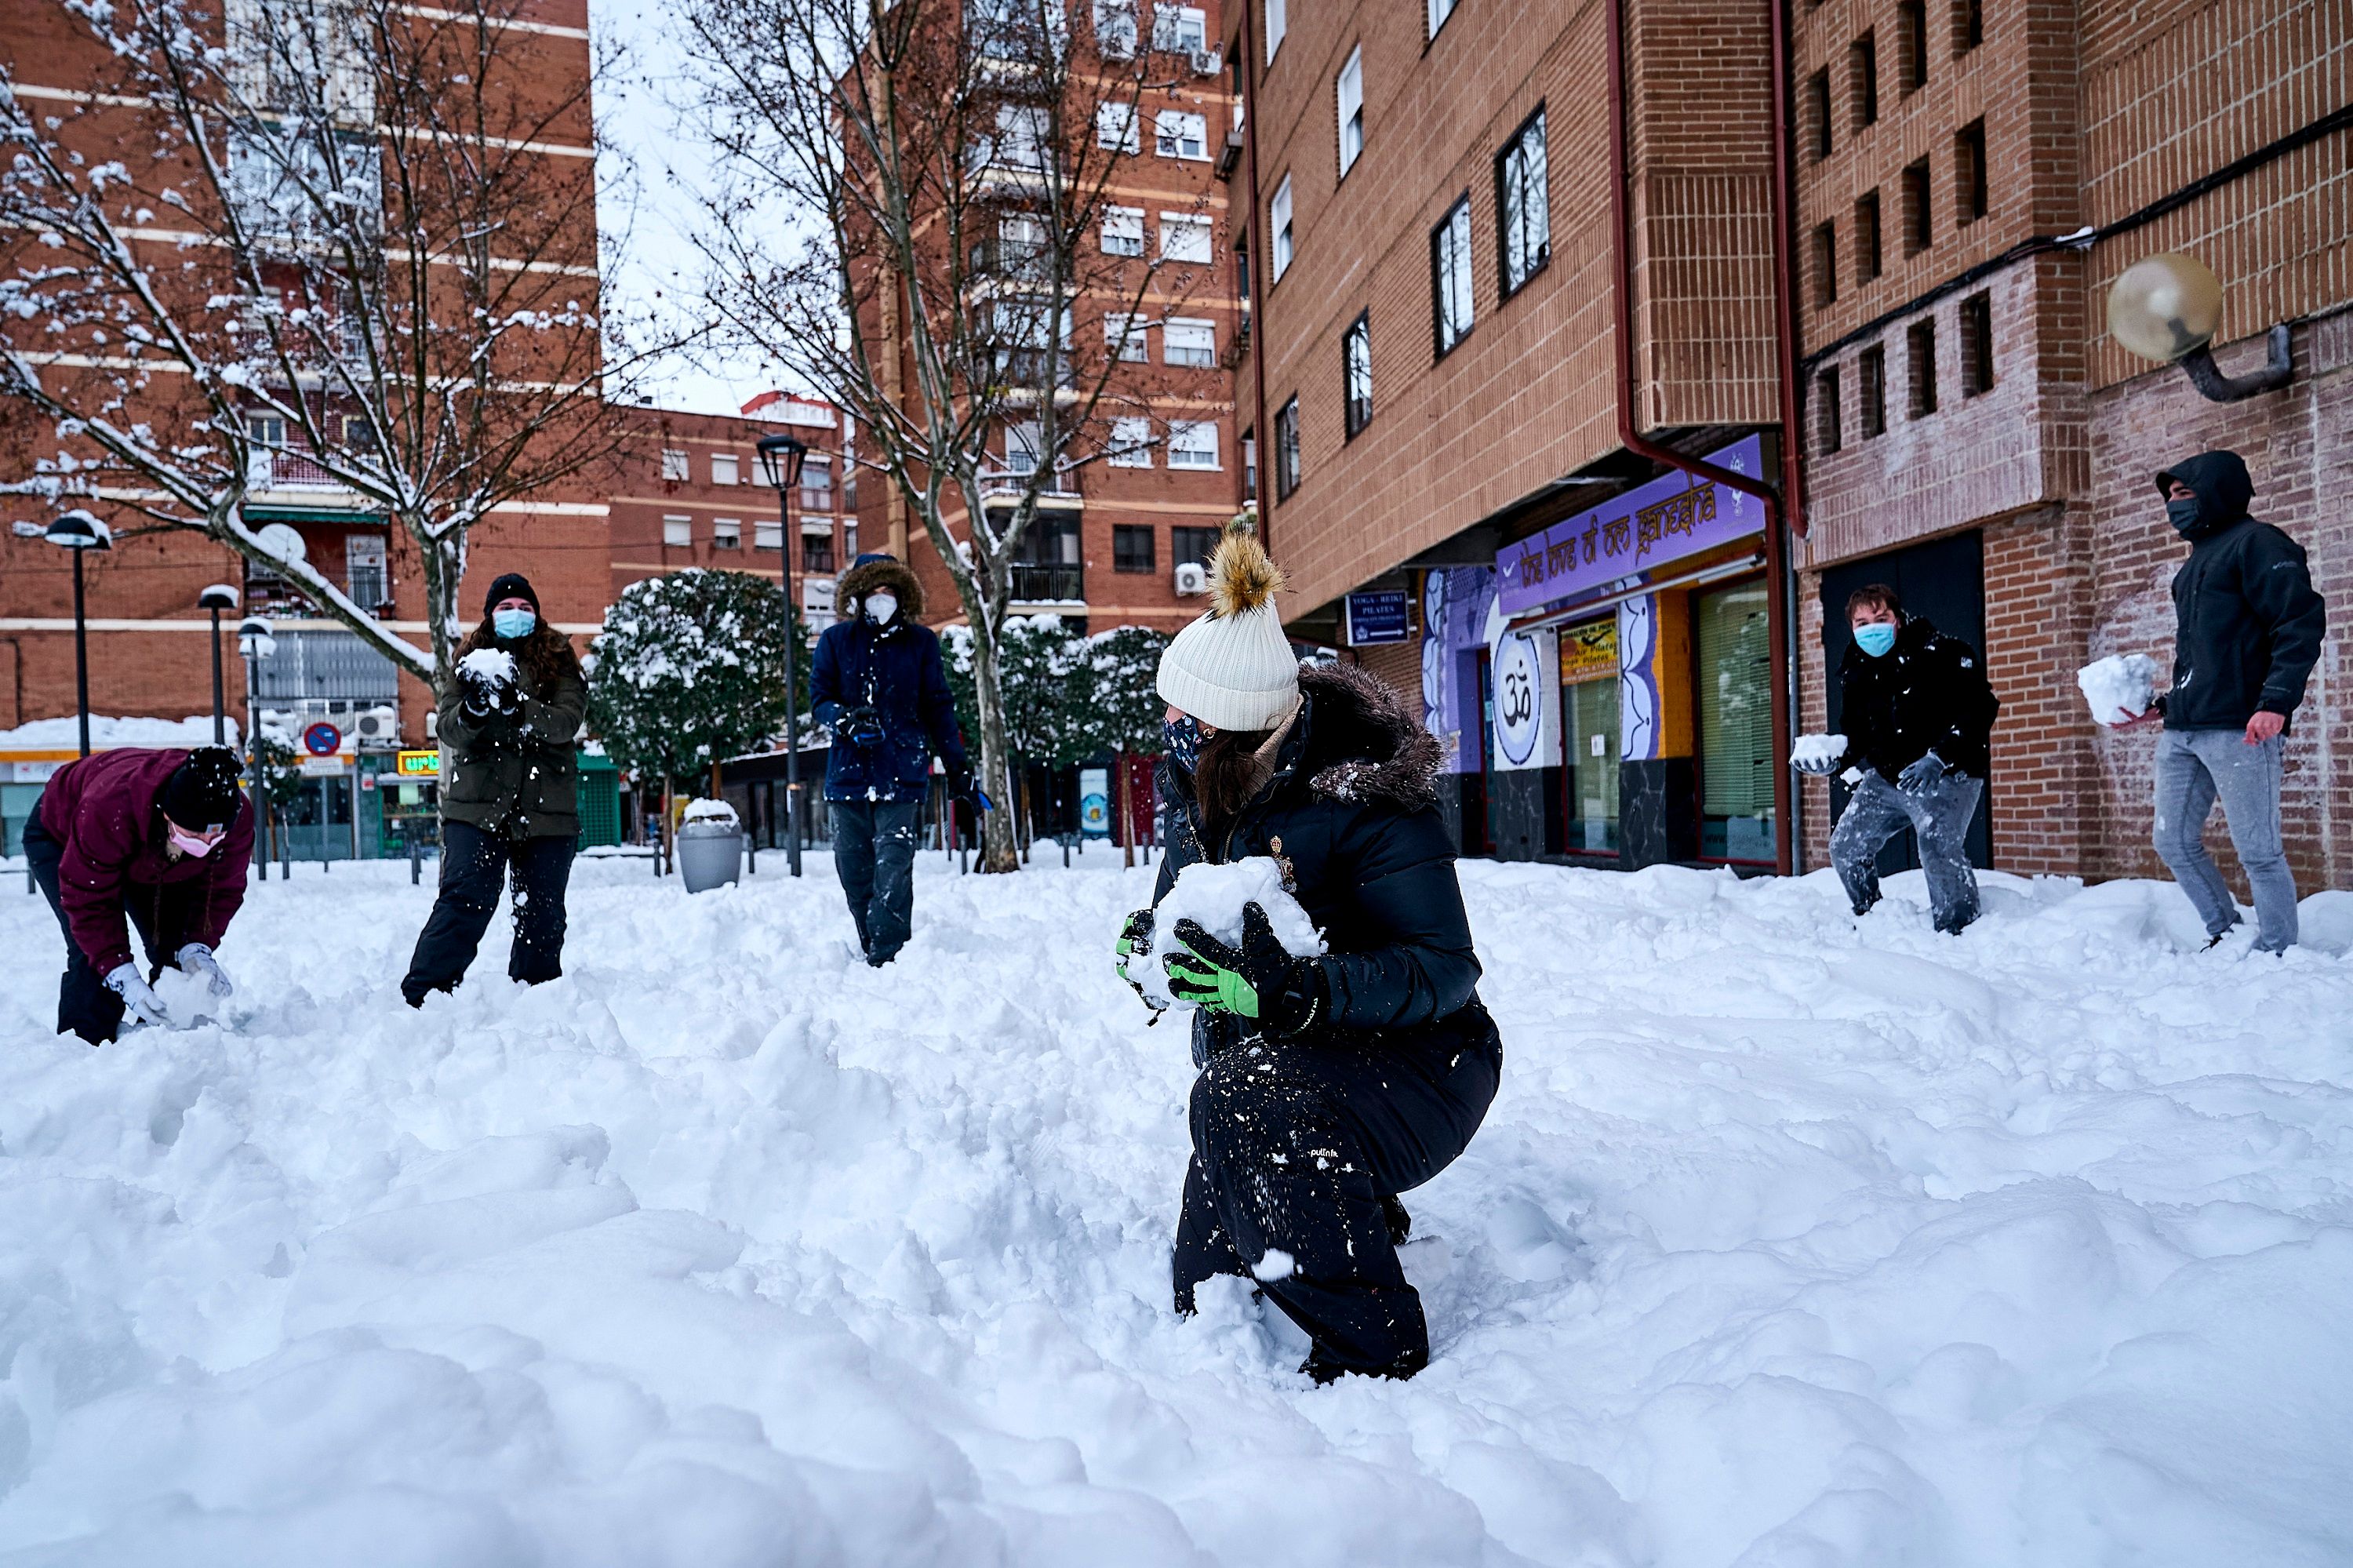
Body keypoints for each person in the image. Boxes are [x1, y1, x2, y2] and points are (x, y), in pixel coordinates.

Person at [1115, 522, 1500, 1384]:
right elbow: (1186, 920)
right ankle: (1339, 1214)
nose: (1168, 723)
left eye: (1186, 712)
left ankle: (1373, 1340)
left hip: (1429, 1063)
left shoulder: (1366, 797)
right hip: (1288, 1065)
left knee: (1242, 1100)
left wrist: (1298, 993)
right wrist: (1152, 956)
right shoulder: (1205, 787)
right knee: (1206, 1286)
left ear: (1237, 723)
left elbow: (1445, 967)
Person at [2137, 450, 2325, 953]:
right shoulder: (2196, 561)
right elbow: (2202, 655)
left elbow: (2298, 624)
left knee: (2259, 850)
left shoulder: (2259, 544)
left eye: (2184, 494)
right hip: (2185, 729)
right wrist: (2165, 704)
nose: (2174, 506)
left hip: (2242, 727)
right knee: (2172, 840)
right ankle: (2226, 930)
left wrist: (2276, 702)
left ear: (2216, 491)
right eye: (2170, 497)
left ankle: (2279, 950)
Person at [402, 573, 587, 1004]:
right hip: (476, 808)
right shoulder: (469, 661)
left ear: (537, 615)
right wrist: (476, 708)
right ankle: (424, 997)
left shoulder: (559, 660)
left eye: (525, 608)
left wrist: (518, 704)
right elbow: (449, 728)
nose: (516, 614)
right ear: (489, 615)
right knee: (464, 900)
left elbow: (565, 723)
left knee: (542, 912)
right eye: (506, 608)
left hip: (547, 810)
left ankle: (536, 998)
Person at [1796, 584, 2000, 934]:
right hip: (1889, 775)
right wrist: (1835, 759)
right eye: (1862, 622)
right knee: (1845, 846)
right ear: (1852, 628)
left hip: (1948, 772)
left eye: (1881, 618)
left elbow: (1980, 708)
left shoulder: (1941, 652)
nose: (1871, 627)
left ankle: (1959, 931)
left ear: (1898, 619)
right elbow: (1857, 732)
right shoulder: (1856, 667)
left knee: (1937, 843)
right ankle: (1874, 919)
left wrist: (1938, 758)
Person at [23, 744, 253, 1044]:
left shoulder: (236, 819)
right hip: (63, 838)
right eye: (194, 836)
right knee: (95, 957)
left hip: (155, 856)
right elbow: (89, 903)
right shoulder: (109, 807)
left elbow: (222, 887)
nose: (206, 845)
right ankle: (85, 1052)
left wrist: (197, 945)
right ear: (168, 815)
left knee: (175, 952)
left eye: (215, 837)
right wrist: (120, 972)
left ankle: (166, 1043)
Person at [809, 553, 969, 966]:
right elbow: (819, 700)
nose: (882, 599)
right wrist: (844, 720)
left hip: (902, 771)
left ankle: (889, 956)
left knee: (893, 865)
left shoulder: (920, 644)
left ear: (902, 596)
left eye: (890, 592)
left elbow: (939, 708)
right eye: (874, 592)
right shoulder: (835, 641)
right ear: (859, 596)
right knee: (853, 867)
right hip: (848, 774)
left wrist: (957, 767)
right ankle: (871, 941)